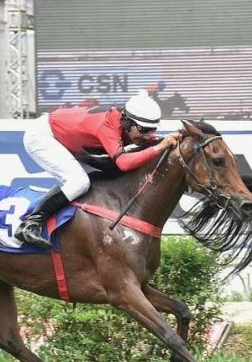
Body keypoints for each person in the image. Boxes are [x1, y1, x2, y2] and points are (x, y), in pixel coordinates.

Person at [14, 90, 181, 249]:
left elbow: (145, 143)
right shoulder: (107, 126)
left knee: (102, 173)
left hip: (66, 138)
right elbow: (124, 163)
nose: (148, 135)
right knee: (79, 182)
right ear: (127, 122)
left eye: (152, 130)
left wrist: (164, 140)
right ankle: (30, 223)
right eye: (144, 130)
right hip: (42, 137)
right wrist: (160, 147)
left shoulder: (126, 123)